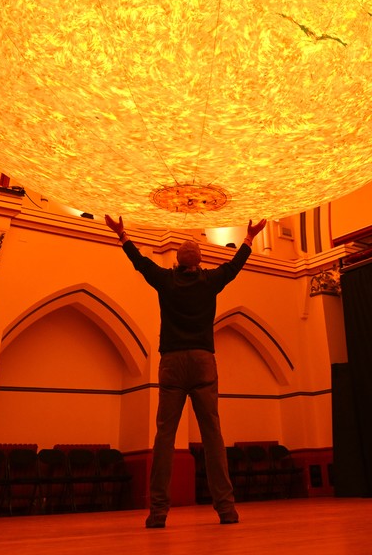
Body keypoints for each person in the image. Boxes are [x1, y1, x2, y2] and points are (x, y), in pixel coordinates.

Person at [104, 213, 267, 528]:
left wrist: (123, 235)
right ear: (200, 260)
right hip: (204, 360)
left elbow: (141, 263)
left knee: (165, 436)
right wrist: (249, 238)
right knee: (212, 435)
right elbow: (234, 267)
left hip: (172, 363)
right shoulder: (210, 281)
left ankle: (158, 512)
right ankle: (227, 510)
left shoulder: (166, 280)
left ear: (178, 261)